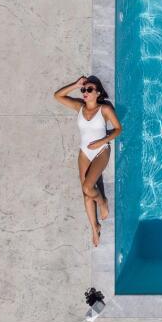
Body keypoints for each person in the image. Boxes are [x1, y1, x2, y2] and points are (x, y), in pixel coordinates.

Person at [54, 76, 122, 246]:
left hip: (101, 151)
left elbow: (118, 129)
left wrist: (101, 141)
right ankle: (94, 227)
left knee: (87, 187)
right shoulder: (79, 107)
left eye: (89, 89)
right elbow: (57, 96)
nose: (85, 92)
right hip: (84, 152)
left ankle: (102, 202)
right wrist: (75, 84)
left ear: (97, 93)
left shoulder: (104, 109)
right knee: (86, 194)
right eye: (83, 89)